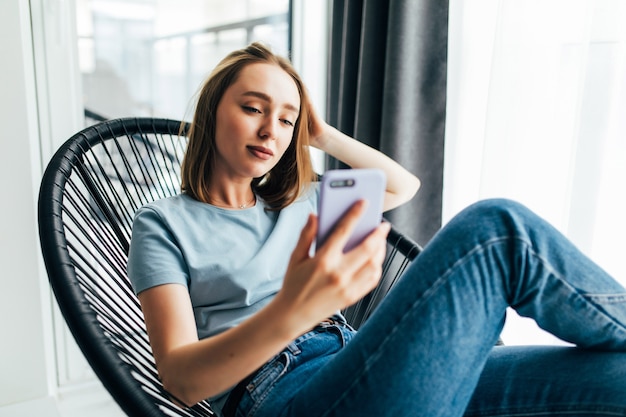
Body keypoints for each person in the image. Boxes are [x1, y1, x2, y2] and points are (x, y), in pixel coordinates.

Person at [127, 42, 626, 417]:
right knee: (496, 233)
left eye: (287, 120)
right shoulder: (164, 224)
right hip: (282, 393)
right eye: (254, 108)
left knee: (611, 377)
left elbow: (401, 186)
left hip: (356, 358)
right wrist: (293, 308)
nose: (271, 131)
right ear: (212, 109)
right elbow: (182, 379)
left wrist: (319, 133)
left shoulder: (302, 199)